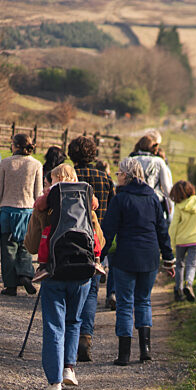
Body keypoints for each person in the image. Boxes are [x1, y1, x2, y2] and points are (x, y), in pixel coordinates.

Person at [23, 164, 102, 390]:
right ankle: (69, 368)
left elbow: (30, 245)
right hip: (82, 275)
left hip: (54, 272)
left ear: (53, 182)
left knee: (53, 325)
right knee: (74, 321)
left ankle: (54, 382)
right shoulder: (87, 205)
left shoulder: (45, 207)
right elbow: (101, 241)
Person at [102, 156, 174, 365]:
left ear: (125, 175)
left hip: (126, 256)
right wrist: (168, 258)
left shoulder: (120, 199)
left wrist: (99, 256)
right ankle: (146, 350)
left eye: (118, 174)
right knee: (143, 300)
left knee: (125, 304)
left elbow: (108, 230)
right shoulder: (152, 197)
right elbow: (162, 230)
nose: (117, 178)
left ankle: (124, 354)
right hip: (149, 256)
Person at [68, 135, 118, 323]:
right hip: (97, 239)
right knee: (91, 290)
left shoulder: (69, 176)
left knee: (69, 284)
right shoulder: (105, 178)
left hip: (70, 237)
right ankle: (85, 335)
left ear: (71, 154)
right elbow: (113, 210)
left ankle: (71, 326)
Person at [0, 133, 44, 296]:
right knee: (26, 245)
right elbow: (39, 193)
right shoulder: (36, 164)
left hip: (7, 210)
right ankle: (25, 274)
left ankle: (11, 285)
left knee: (8, 248)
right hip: (27, 210)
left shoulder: (6, 163)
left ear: (15, 146)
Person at [125, 132, 173, 215]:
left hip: (133, 200)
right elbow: (166, 187)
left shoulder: (130, 160)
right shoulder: (159, 162)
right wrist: (170, 204)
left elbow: (124, 181)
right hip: (153, 200)